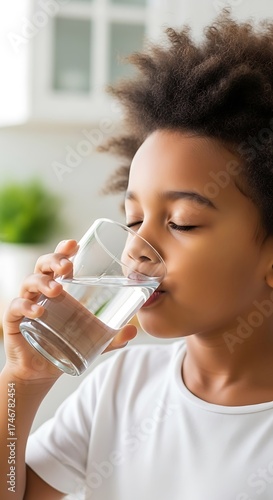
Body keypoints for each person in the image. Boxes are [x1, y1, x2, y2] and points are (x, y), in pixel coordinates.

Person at [1, 9, 273, 500]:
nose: (138, 250)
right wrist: (24, 379)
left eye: (182, 222)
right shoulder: (121, 387)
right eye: (132, 221)